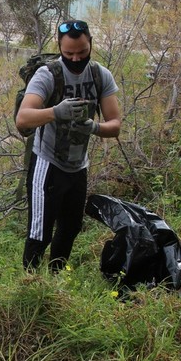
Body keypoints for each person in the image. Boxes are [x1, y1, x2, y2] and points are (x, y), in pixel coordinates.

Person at [15, 19, 121, 272]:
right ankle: (29, 283)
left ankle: (55, 278)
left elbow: (115, 124)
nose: (76, 59)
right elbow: (24, 118)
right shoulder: (48, 74)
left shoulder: (100, 75)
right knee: (40, 231)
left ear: (91, 45)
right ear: (60, 48)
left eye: (82, 52)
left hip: (78, 166)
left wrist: (94, 128)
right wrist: (56, 112)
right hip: (47, 163)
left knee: (71, 228)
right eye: (69, 53)